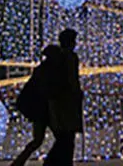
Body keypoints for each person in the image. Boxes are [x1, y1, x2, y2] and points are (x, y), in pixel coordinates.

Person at [11, 45, 62, 166]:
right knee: (59, 138)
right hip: (45, 110)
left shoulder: (43, 69)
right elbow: (47, 90)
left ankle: (19, 162)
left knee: (38, 140)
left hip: (40, 110)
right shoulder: (48, 70)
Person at [44, 28, 83, 166]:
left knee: (62, 136)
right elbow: (73, 79)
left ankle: (56, 163)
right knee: (67, 138)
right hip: (68, 101)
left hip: (57, 100)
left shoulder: (57, 57)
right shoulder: (71, 57)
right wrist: (77, 93)